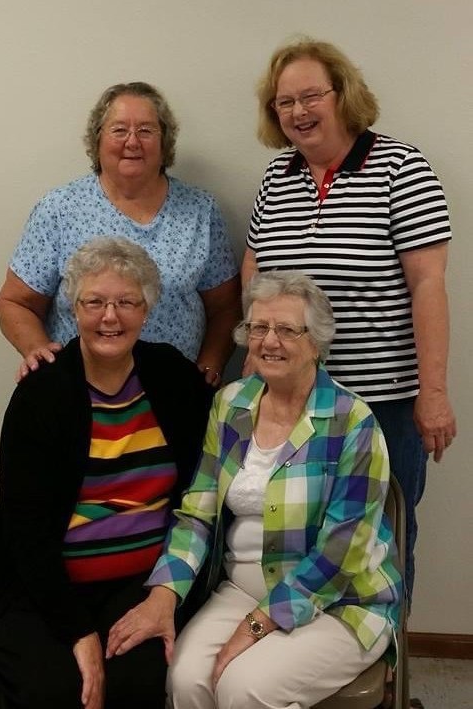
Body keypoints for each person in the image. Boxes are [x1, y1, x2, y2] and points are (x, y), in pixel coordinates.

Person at [106, 271, 402, 709]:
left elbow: (342, 552)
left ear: (317, 342)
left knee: (244, 689)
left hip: (341, 600)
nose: (269, 341)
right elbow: (197, 513)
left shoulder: (353, 421)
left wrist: (259, 623)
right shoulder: (231, 404)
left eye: (286, 329)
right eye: (259, 327)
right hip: (242, 589)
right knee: (185, 680)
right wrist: (165, 593)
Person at [241, 37, 456, 603]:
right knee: (296, 533)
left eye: (311, 96)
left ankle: (383, 649)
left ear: (343, 94)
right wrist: (254, 365)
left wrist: (433, 392)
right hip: (290, 399)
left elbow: (428, 286)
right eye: (285, 102)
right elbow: (255, 272)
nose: (298, 112)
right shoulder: (276, 177)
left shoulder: (401, 168)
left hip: (381, 401)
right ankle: (299, 641)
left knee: (380, 539)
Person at [0, 237, 213, 709]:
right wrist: (79, 634)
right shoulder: (42, 393)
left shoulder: (172, 377)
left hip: (140, 581)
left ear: (146, 310)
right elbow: (25, 533)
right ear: (73, 309)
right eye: (94, 302)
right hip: (44, 582)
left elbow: (215, 460)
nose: (110, 317)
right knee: (56, 691)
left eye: (126, 302)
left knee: (137, 683)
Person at [0, 81, 241, 386]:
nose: (133, 141)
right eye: (119, 130)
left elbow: (226, 306)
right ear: (97, 140)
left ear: (164, 142)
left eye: (146, 130)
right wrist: (39, 353)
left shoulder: (200, 210)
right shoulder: (59, 209)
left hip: (176, 391)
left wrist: (211, 364)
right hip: (79, 390)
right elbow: (15, 302)